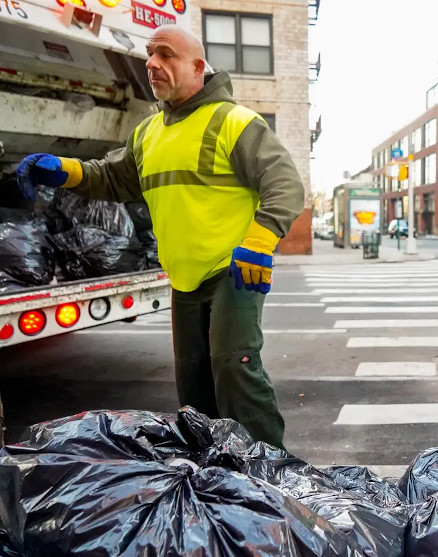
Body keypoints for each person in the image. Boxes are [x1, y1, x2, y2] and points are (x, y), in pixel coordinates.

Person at [15, 25, 304, 451]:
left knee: (234, 369)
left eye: (166, 55)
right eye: (149, 55)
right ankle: (211, 466)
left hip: (233, 271)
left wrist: (259, 243)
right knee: (192, 379)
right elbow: (112, 177)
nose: (151, 64)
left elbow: (285, 184)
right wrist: (64, 169)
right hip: (184, 275)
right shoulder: (148, 132)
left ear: (198, 67)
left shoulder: (235, 122)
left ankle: (267, 472)